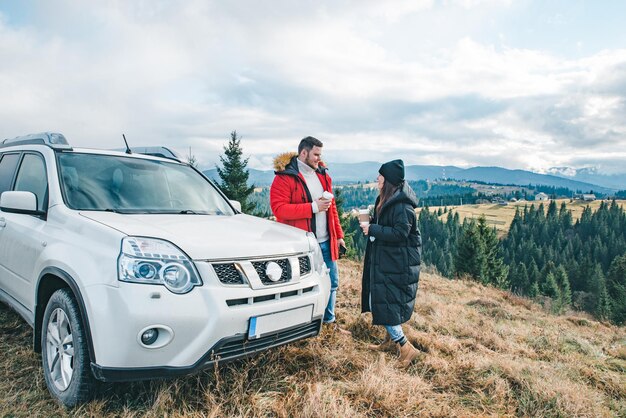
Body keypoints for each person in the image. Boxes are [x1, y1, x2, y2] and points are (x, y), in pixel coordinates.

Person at [270, 136, 350, 334]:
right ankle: (303, 325)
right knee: (303, 287)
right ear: (303, 153)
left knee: (332, 283)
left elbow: (332, 210)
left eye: (320, 155)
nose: (318, 159)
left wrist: (338, 235)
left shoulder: (322, 174)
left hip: (325, 241)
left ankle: (329, 322)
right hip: (301, 244)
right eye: (315, 154)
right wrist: (313, 207)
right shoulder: (284, 177)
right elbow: (279, 209)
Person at [360, 159, 423, 367]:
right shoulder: (387, 200)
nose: (377, 178)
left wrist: (373, 230)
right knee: (385, 303)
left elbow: (400, 233)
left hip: (397, 265)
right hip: (388, 261)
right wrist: (372, 223)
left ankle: (406, 349)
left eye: (380, 176)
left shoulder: (403, 207)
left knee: (388, 307)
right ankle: (389, 343)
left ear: (388, 181)